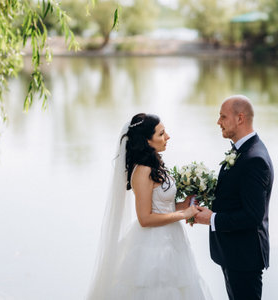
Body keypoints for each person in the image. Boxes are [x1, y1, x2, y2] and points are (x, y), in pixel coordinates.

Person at [86, 113, 212, 300]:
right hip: (152, 246)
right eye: (161, 134)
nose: (167, 137)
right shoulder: (142, 170)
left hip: (172, 240)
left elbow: (162, 206)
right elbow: (145, 218)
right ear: (147, 140)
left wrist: (182, 205)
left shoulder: (155, 165)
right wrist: (183, 214)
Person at [195, 95, 274, 300]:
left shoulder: (254, 159)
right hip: (234, 254)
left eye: (223, 116)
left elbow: (252, 216)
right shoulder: (242, 150)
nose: (218, 122)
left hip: (245, 257)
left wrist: (211, 218)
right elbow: (233, 194)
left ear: (240, 119)